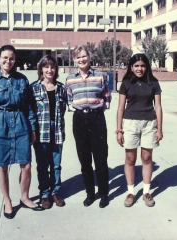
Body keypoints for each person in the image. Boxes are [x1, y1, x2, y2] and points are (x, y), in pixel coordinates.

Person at [0, 45, 41, 220]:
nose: (9, 61)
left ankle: (24, 197)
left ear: (15, 60)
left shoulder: (22, 80)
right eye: (5, 57)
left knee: (27, 165)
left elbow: (29, 107)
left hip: (21, 123)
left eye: (12, 58)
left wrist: (33, 128)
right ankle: (7, 200)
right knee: (2, 166)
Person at [66, 44, 111, 208]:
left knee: (100, 159)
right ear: (74, 60)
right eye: (78, 57)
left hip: (97, 119)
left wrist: (97, 110)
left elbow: (107, 97)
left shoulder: (100, 76)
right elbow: (69, 99)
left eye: (84, 56)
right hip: (79, 120)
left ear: (89, 57)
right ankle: (90, 193)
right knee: (84, 160)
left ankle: (104, 193)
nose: (81, 59)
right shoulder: (70, 79)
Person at [116, 53, 163, 207]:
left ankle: (146, 192)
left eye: (142, 66)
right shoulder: (126, 83)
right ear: (131, 67)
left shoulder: (154, 83)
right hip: (130, 124)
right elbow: (120, 108)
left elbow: (158, 107)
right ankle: (130, 192)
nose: (139, 69)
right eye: (136, 66)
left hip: (149, 124)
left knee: (147, 157)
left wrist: (159, 129)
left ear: (147, 67)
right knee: (130, 158)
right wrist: (119, 130)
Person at [30, 55, 68, 209]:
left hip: (57, 129)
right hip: (40, 131)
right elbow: (31, 111)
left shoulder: (61, 88)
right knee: (42, 164)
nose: (49, 70)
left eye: (52, 67)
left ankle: (55, 192)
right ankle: (45, 194)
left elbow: (63, 108)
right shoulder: (34, 88)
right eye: (46, 67)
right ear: (41, 69)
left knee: (56, 164)